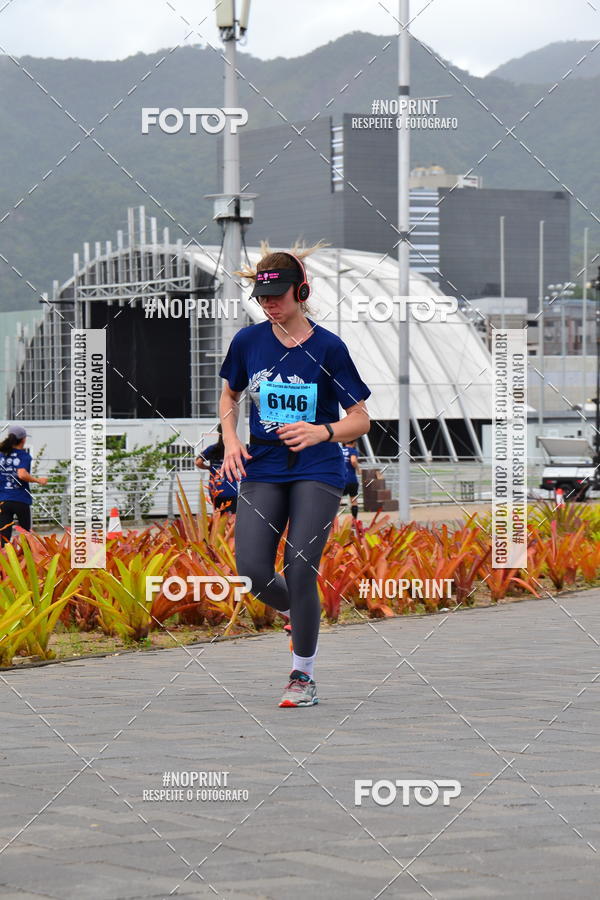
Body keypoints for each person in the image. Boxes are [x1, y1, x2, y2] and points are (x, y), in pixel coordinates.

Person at [218, 244, 371, 708]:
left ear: (300, 292)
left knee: (300, 568)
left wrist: (323, 430)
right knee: (252, 569)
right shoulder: (248, 342)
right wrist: (230, 440)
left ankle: (302, 676)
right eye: (262, 298)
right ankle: (299, 609)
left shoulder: (328, 347)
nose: (270, 304)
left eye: (278, 296)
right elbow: (228, 397)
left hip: (318, 465)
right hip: (263, 465)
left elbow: (360, 418)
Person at [0, 425, 47, 545]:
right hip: (21, 499)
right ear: (23, 439)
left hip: (3, 500)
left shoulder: (1, 455)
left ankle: (4, 561)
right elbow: (21, 474)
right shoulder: (24, 455)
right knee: (26, 533)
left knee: (4, 535)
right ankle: (27, 560)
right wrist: (38, 480)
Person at [194, 424, 238, 513]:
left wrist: (208, 468)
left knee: (218, 516)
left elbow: (198, 462)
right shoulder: (234, 449)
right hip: (231, 489)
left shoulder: (212, 449)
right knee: (232, 518)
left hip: (215, 489)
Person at [341, 440, 361, 520]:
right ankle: (354, 521)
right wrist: (358, 469)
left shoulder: (339, 450)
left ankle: (334, 523)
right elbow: (353, 461)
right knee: (353, 500)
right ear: (354, 443)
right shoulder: (353, 450)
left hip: (340, 479)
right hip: (351, 479)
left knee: (337, 500)